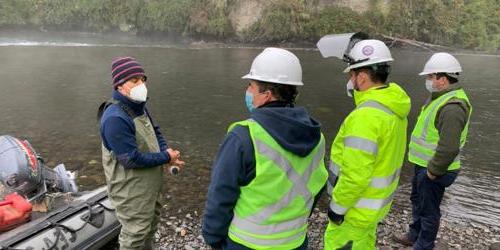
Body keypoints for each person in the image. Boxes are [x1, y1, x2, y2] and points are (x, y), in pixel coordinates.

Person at [202, 48, 328, 250]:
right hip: (295, 241)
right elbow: (318, 185)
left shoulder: (243, 136)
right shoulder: (317, 137)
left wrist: (213, 237)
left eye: (251, 86)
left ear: (267, 95)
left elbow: (221, 194)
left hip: (247, 243)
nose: (248, 91)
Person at [322, 39, 411, 249]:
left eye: (351, 75)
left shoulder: (365, 117)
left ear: (361, 77)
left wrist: (337, 208)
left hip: (353, 214)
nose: (350, 81)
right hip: (374, 210)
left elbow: (355, 175)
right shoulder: (394, 106)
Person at [98, 57, 184, 250]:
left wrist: (167, 152)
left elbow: (156, 130)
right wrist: (165, 157)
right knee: (135, 234)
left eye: (143, 79)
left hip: (149, 187)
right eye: (135, 81)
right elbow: (130, 159)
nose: (141, 85)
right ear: (120, 85)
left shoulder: (138, 105)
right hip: (131, 191)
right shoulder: (115, 117)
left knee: (150, 228)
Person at [393, 52, 472, 250]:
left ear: (443, 79)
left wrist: (433, 171)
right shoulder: (440, 98)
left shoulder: (452, 106)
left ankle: (424, 245)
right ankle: (413, 235)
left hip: (436, 169)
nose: (428, 81)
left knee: (429, 210)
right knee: (418, 201)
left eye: (430, 77)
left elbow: (449, 146)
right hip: (424, 164)